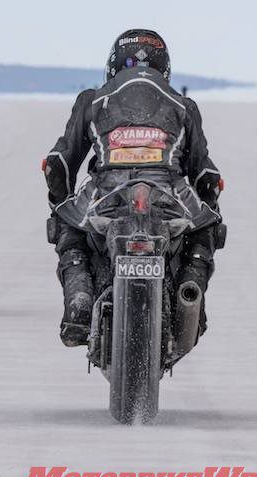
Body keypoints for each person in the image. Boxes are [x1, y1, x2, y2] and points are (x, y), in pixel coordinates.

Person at [42, 29, 225, 347]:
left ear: (113, 65)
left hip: (105, 194)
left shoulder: (93, 100)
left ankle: (80, 298)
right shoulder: (183, 105)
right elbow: (206, 174)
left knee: (69, 230)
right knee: (206, 228)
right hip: (169, 195)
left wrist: (61, 204)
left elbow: (58, 163)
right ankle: (190, 292)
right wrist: (210, 209)